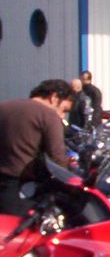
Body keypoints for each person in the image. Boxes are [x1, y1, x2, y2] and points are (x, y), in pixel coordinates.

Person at [0, 79, 74, 215]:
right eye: (64, 110)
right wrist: (70, 185)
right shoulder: (48, 116)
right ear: (54, 97)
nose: (63, 116)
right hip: (20, 188)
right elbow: (57, 156)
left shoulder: (4, 107)